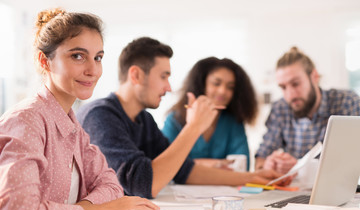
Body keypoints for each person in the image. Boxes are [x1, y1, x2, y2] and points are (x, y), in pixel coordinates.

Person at [0, 9, 158, 210]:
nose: (93, 70)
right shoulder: (27, 120)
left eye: (98, 57)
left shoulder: (71, 125)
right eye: (77, 56)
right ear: (45, 61)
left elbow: (112, 186)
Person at [77, 37, 286, 199]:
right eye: (163, 76)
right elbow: (143, 184)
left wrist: (251, 178)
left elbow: (184, 171)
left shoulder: (144, 120)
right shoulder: (100, 116)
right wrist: (194, 126)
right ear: (136, 75)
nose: (168, 87)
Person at [255, 46, 360, 174]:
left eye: (295, 84)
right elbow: (260, 161)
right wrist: (268, 165)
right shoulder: (280, 108)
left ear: (314, 77)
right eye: (283, 87)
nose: (290, 95)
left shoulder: (346, 102)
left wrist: (300, 167)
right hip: (295, 191)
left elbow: (352, 162)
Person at [162, 57, 257, 170]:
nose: (223, 91)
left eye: (230, 87)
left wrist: (192, 164)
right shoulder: (175, 119)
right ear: (202, 84)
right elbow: (165, 164)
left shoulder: (233, 122)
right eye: (216, 83)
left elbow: (241, 166)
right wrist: (218, 164)